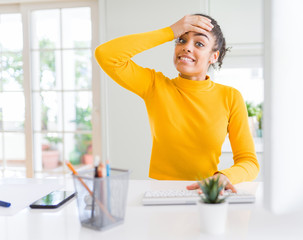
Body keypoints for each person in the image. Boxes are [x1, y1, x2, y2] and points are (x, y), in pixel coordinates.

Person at [95, 14, 259, 193]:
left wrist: (224, 177)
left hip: (205, 193)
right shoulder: (155, 85)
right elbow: (106, 54)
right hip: (160, 192)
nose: (186, 48)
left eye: (199, 44)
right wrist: (170, 31)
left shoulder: (230, 96)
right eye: (181, 40)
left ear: (214, 56)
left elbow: (249, 162)